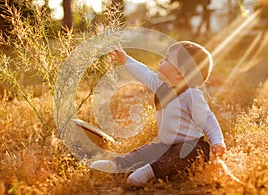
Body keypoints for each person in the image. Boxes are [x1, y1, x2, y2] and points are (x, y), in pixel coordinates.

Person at [90, 41, 226, 185]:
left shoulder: (191, 95)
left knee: (181, 155)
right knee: (146, 152)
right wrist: (125, 59)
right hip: (165, 145)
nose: (162, 60)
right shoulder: (161, 86)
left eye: (167, 59)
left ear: (180, 74)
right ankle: (117, 166)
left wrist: (217, 141)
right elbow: (143, 72)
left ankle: (149, 172)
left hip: (191, 147)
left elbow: (208, 119)